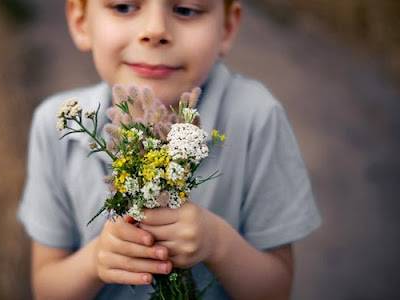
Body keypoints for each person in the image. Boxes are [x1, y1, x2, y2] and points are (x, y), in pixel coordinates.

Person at [17, 0, 322, 299]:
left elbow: (276, 289)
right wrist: (96, 260)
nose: (155, 30)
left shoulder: (257, 119)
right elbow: (47, 288)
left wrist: (217, 243)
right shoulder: (55, 126)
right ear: (81, 20)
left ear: (227, 28)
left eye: (186, 10)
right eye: (124, 7)